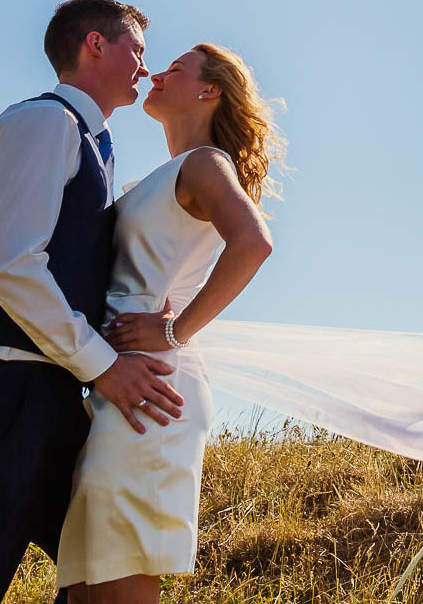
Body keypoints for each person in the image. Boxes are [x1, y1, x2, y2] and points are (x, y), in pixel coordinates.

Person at [0, 0, 186, 604]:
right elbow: (8, 263)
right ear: (95, 45)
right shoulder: (45, 122)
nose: (143, 64)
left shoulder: (96, 145)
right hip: (5, 398)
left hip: (54, 405)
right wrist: (106, 367)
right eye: (136, 48)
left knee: (100, 585)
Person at [56, 42, 281, 604]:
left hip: (156, 392)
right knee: (87, 587)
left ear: (209, 91)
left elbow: (253, 244)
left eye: (175, 69)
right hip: (118, 387)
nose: (156, 73)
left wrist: (175, 330)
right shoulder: (149, 181)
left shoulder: (206, 164)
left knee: (122, 579)